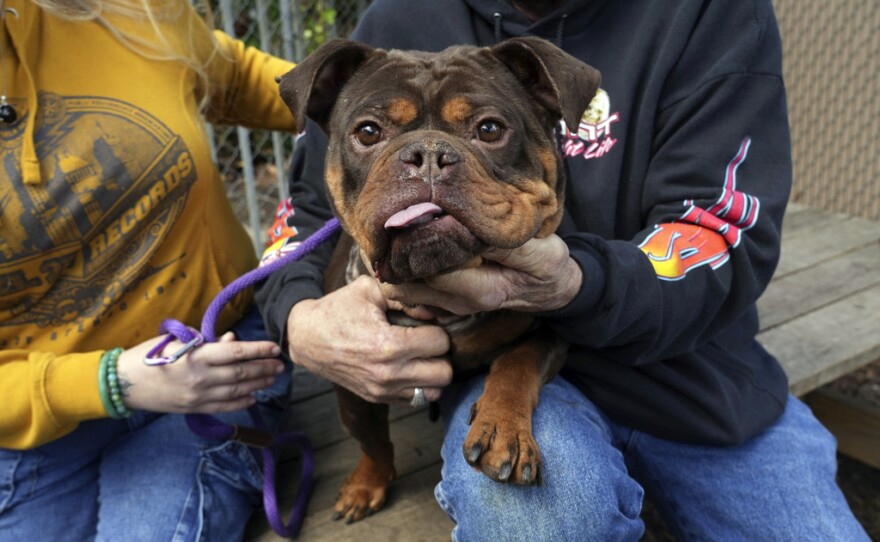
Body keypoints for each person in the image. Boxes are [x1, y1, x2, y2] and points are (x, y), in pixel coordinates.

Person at [257, 0, 870, 540]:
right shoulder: (394, 20)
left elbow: (721, 230)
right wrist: (298, 318)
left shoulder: (709, 13)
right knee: (538, 515)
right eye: (373, 132)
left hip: (690, 376)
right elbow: (305, 210)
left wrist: (571, 282)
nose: (427, 164)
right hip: (493, 372)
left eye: (489, 129)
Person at [0, 0, 298, 539]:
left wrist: (368, 94)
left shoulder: (121, 9)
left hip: (212, 357)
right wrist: (111, 382)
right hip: (30, 421)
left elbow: (227, 73)